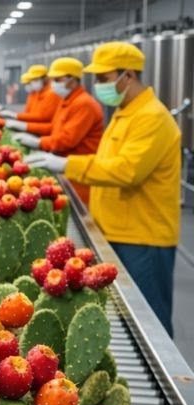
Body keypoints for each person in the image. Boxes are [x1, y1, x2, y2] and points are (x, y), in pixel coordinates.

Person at [27, 42, 182, 334]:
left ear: (128, 75)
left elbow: (127, 171)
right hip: (118, 228)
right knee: (126, 319)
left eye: (104, 78)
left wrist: (66, 164)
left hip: (143, 237)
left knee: (149, 324)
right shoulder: (125, 113)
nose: (98, 85)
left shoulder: (151, 117)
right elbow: (104, 160)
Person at [10, 57, 104, 204]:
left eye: (57, 79)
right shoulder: (66, 101)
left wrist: (40, 142)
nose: (53, 84)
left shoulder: (84, 104)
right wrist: (28, 130)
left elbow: (67, 139)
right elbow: (54, 128)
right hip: (65, 169)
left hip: (78, 176)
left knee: (77, 210)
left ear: (71, 79)